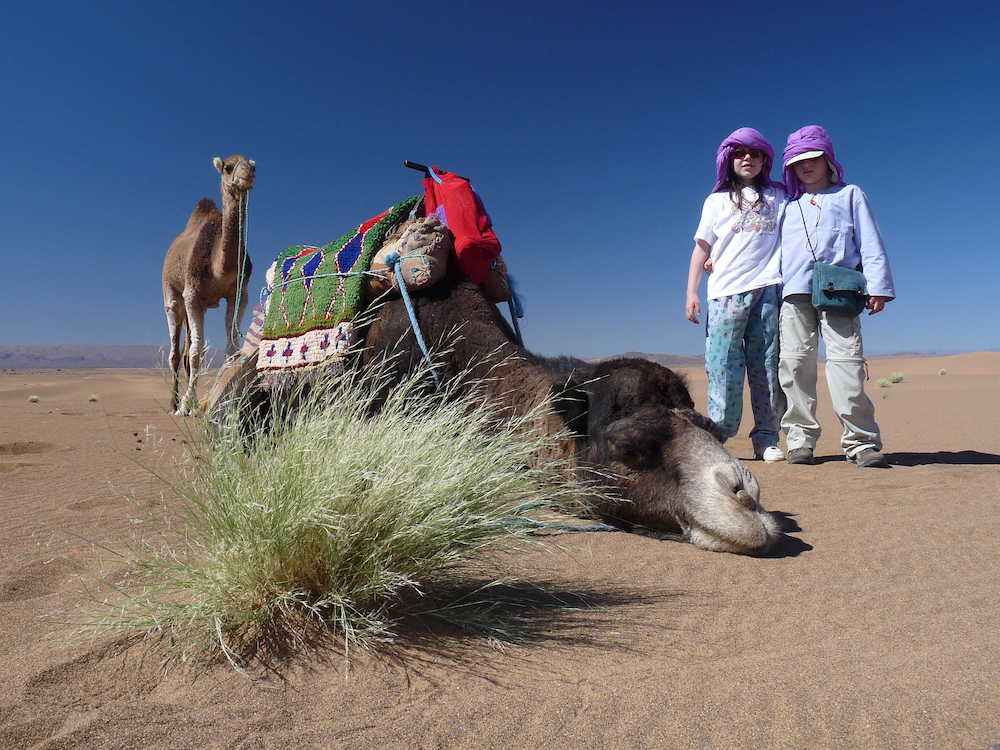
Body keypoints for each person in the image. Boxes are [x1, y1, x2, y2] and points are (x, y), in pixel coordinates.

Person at [777, 125, 895, 467]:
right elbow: (764, 248)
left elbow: (870, 243)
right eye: (798, 162)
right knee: (796, 365)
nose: (806, 166)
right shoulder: (787, 204)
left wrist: (878, 287)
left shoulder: (850, 195)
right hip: (794, 292)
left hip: (840, 292)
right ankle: (800, 440)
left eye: (813, 158)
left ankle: (861, 442)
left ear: (828, 159)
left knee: (847, 365)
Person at [686, 127, 787, 462]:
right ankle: (719, 436)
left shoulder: (779, 196)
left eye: (754, 153)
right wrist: (691, 292)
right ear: (728, 159)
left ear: (764, 160)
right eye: (740, 153)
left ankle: (768, 438)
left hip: (768, 290)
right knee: (723, 366)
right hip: (725, 292)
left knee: (766, 366)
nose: (747, 159)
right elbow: (701, 248)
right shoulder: (715, 202)